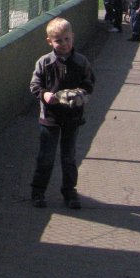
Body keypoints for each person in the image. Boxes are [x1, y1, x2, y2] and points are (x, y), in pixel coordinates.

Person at [29, 17, 95, 209]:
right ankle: (38, 192)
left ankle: (69, 192)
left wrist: (81, 93)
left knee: (69, 156)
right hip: (50, 117)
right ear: (50, 41)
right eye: (58, 40)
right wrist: (44, 94)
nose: (64, 44)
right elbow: (35, 84)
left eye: (67, 39)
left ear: (72, 37)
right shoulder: (44, 62)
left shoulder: (81, 61)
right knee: (46, 156)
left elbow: (89, 82)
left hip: (72, 117)